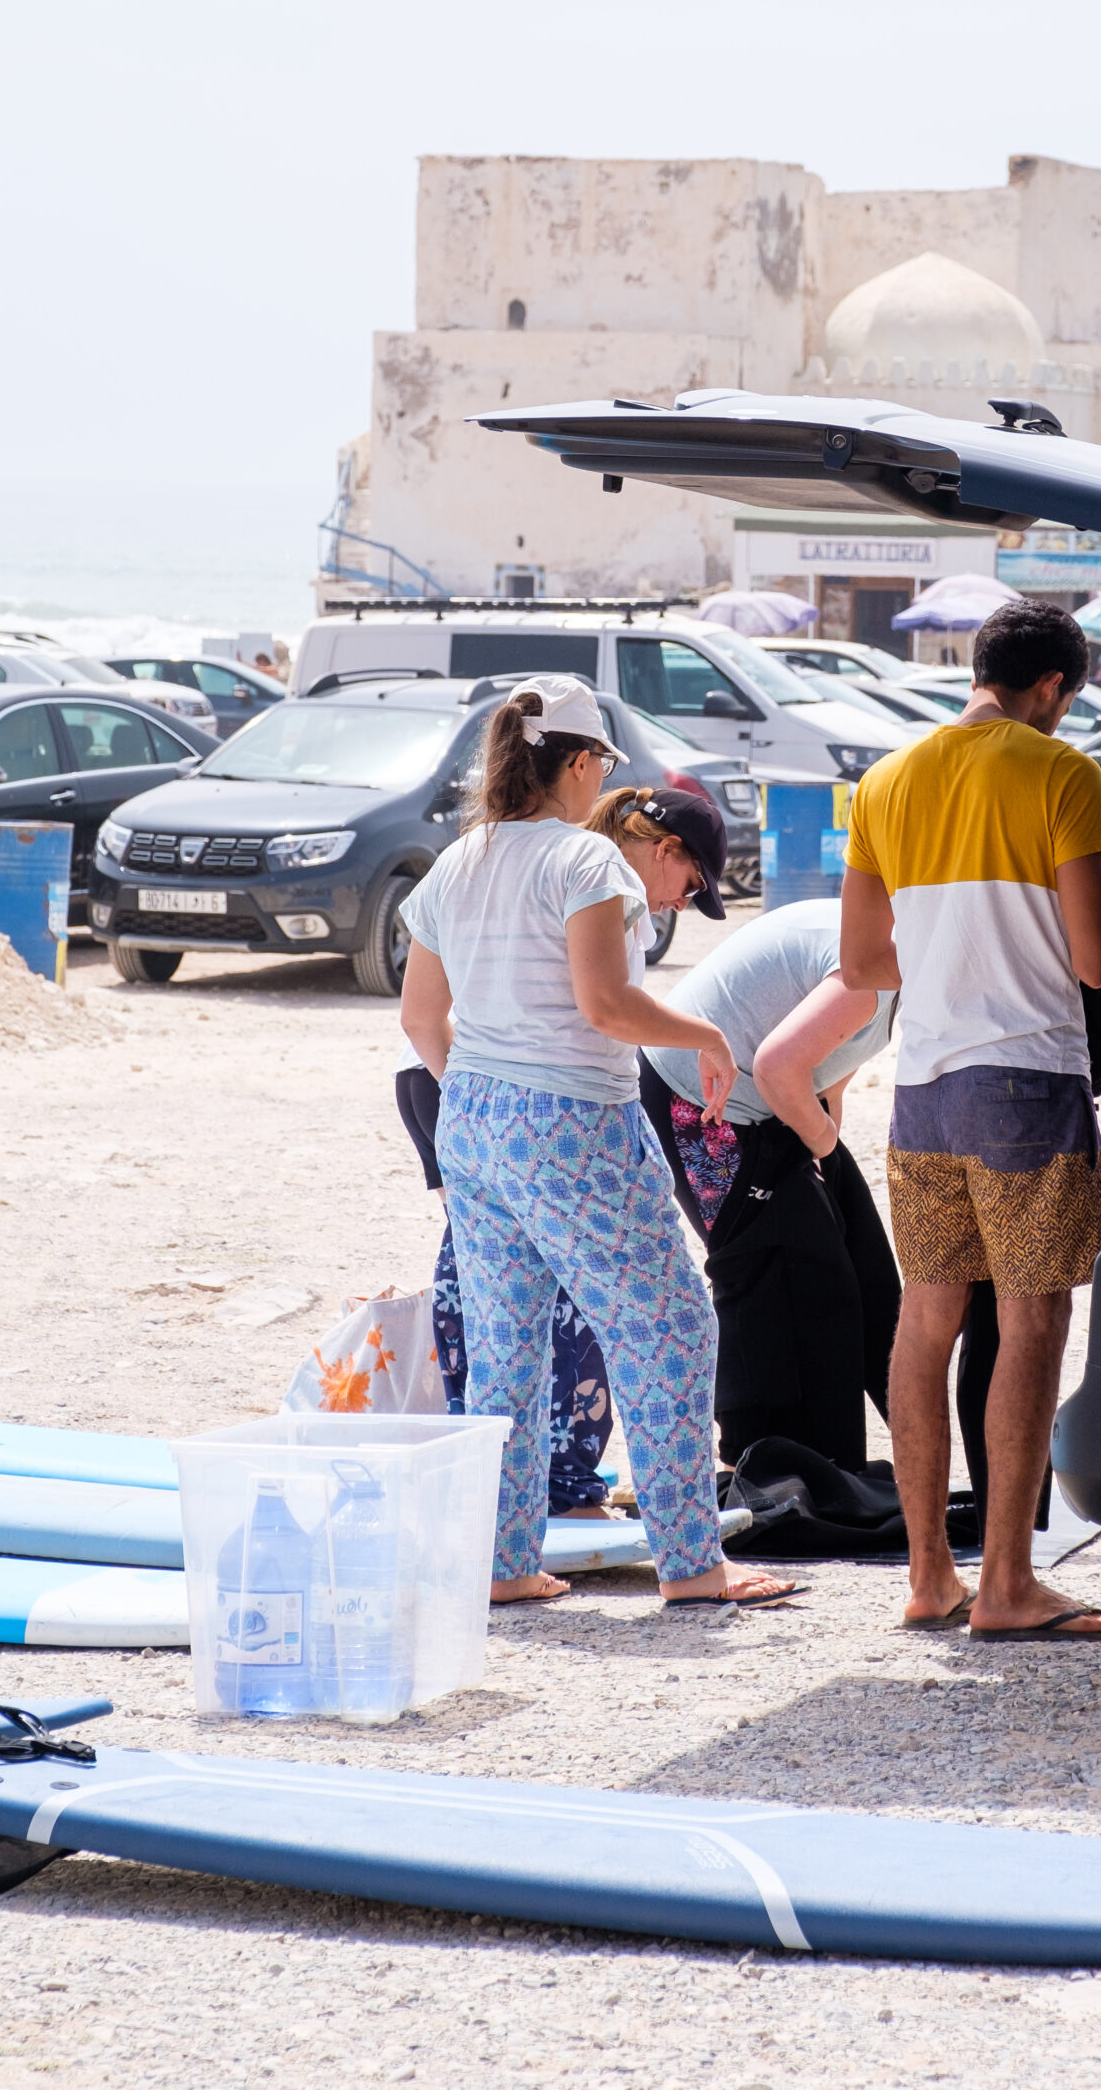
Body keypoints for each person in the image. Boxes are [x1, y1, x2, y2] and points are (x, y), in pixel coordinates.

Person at [397, 676, 796, 1610]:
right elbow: (606, 1007)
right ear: (579, 763)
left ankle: (502, 1563)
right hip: (569, 1116)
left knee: (505, 1346)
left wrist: (487, 1094)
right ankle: (693, 1562)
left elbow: (422, 1019)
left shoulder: (458, 862)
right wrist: (706, 1037)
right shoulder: (588, 864)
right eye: (604, 762)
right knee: (668, 1327)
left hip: (476, 1117)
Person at [840, 599, 1101, 1643]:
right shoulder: (1060, 773)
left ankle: (930, 1577)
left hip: (923, 1087)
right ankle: (1008, 1581)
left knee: (927, 1322)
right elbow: (1095, 959)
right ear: (1052, 685)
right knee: (1034, 1318)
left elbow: (862, 964)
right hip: (1025, 1083)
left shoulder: (887, 781)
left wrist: (951, 954)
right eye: (1071, 696)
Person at [637, 899, 900, 1470]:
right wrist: (824, 1145)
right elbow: (782, 1064)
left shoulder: (885, 943)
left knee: (843, 1261)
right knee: (762, 1269)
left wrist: (825, 1148)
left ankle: (822, 1459)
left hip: (760, 1102)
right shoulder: (876, 967)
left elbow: (829, 1060)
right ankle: (761, 1464)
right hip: (696, 1097)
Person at [394, 1037, 617, 1519]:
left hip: (424, 1069)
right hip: (496, 1077)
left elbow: (417, 1015)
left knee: (479, 1276)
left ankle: (487, 1472)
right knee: (553, 1288)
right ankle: (563, 1486)